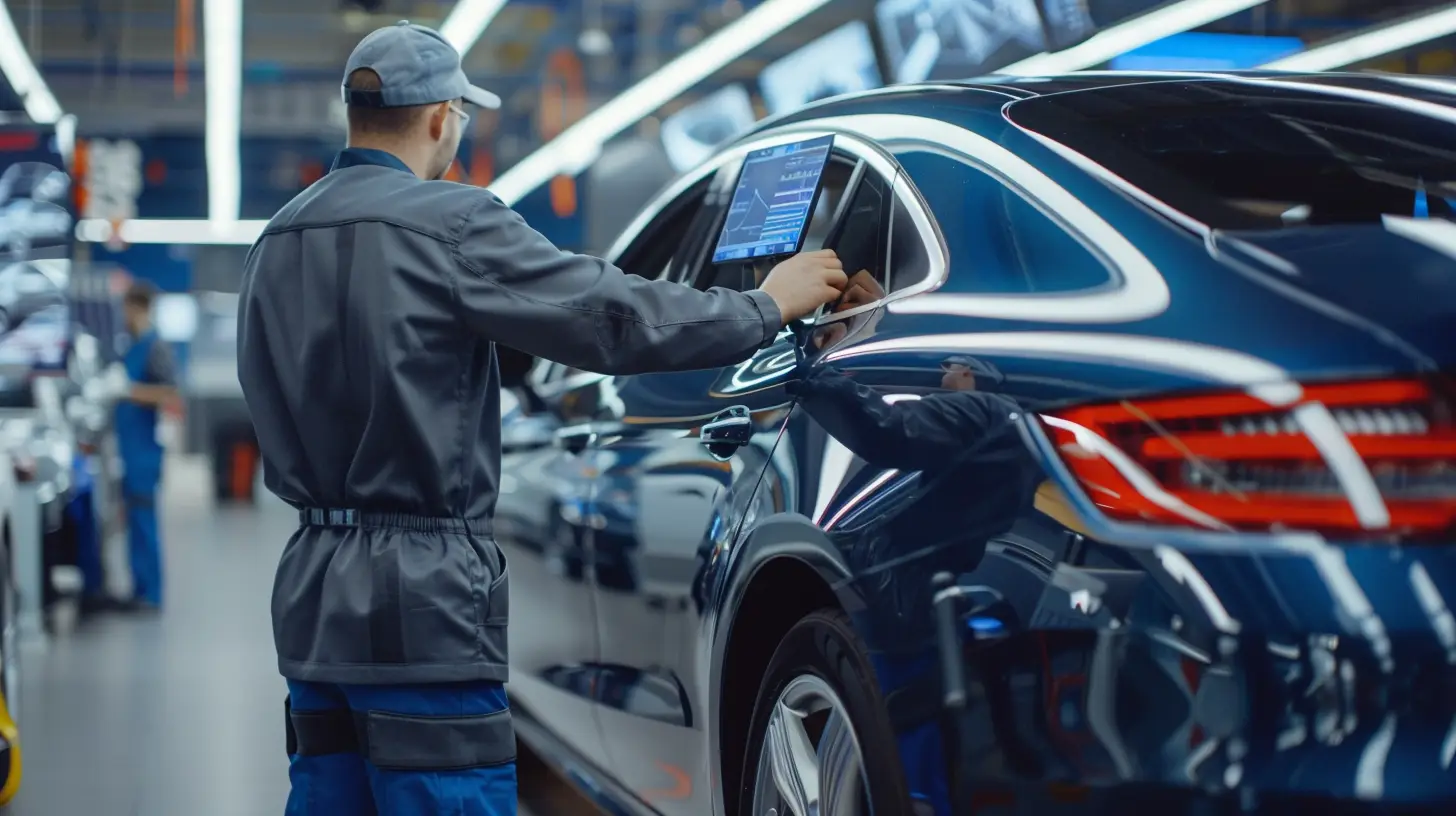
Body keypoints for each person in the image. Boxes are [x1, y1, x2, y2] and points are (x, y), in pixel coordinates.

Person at [236, 20, 847, 816]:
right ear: (440, 118)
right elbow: (611, 316)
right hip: (423, 607)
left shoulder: (275, 242)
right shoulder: (451, 225)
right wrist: (768, 304)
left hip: (313, 599)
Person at [112, 281, 178, 612]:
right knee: (134, 524)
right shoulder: (132, 345)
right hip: (129, 450)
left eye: (125, 308)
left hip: (144, 453)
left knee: (144, 523)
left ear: (136, 307)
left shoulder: (156, 348)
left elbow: (168, 393)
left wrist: (127, 391)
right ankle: (140, 589)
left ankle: (151, 594)